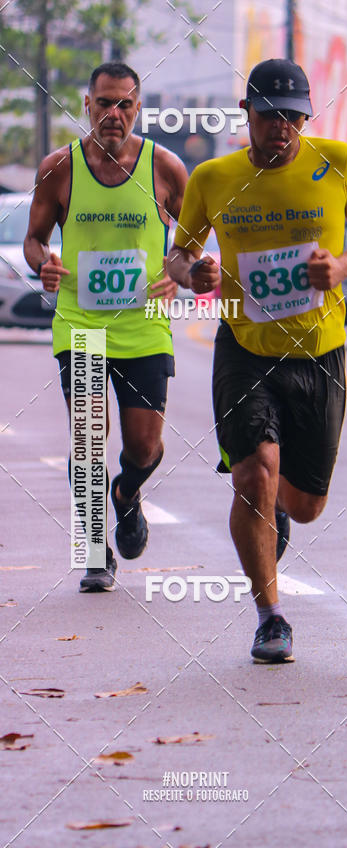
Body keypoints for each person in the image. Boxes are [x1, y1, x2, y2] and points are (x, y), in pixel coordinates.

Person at [167, 58, 347, 662]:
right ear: (248, 115)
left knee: (306, 506)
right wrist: (195, 273)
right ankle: (270, 617)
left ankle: (278, 516)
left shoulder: (337, 163)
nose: (282, 128)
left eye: (293, 117)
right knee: (253, 473)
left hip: (318, 351)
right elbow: (177, 257)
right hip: (245, 348)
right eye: (270, 116)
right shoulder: (213, 177)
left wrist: (340, 267)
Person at [24, 61, 188, 592]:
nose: (113, 113)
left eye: (124, 104)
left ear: (138, 108)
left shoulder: (165, 168)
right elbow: (34, 237)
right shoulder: (59, 167)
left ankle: (127, 493)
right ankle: (95, 551)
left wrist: (179, 271)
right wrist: (43, 261)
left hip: (143, 326)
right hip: (82, 324)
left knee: (143, 448)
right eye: (104, 103)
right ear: (87, 104)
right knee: (90, 437)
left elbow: (192, 239)